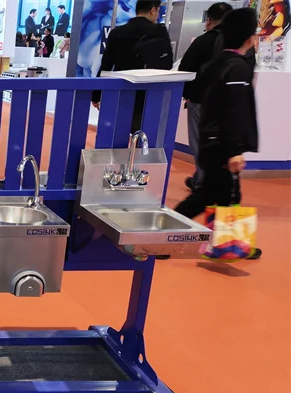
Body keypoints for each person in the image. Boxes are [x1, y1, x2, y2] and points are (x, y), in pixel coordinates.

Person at [174, 8, 261, 259]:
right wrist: (234, 150)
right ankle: (164, 235)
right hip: (222, 145)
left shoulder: (219, 63)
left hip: (211, 141)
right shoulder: (237, 69)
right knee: (208, 196)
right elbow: (234, 112)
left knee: (223, 194)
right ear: (249, 38)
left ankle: (230, 243)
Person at [92, 0, 172, 130]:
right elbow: (166, 64)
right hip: (148, 92)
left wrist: (96, 94)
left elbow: (106, 65)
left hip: (121, 91)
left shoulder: (117, 32)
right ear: (153, 10)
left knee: (117, 131)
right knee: (143, 133)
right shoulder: (158, 31)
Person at [179, 2, 234, 190]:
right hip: (228, 102)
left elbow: (185, 69)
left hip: (201, 99)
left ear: (209, 20)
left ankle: (203, 183)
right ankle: (204, 178)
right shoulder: (239, 43)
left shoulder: (203, 41)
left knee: (199, 143)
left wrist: (187, 94)